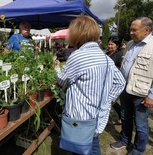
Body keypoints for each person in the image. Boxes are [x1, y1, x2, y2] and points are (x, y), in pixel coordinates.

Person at [57, 15, 126, 155]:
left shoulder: (78, 56)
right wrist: (107, 99)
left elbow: (62, 80)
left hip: (81, 116)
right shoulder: (105, 58)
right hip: (98, 115)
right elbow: (121, 82)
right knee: (92, 145)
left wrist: (58, 71)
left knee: (81, 149)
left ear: (77, 34)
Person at [110, 17, 153, 155]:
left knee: (140, 124)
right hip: (125, 89)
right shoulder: (130, 44)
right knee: (125, 117)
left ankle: (139, 149)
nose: (131, 32)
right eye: (130, 30)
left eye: (134, 30)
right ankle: (125, 140)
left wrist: (151, 95)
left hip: (141, 93)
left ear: (147, 30)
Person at [107, 36, 124, 125]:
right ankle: (121, 115)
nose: (109, 46)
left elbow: (121, 69)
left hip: (114, 81)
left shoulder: (119, 55)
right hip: (106, 81)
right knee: (110, 101)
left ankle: (122, 116)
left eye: (112, 44)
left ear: (117, 45)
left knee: (111, 101)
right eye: (108, 44)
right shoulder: (107, 54)